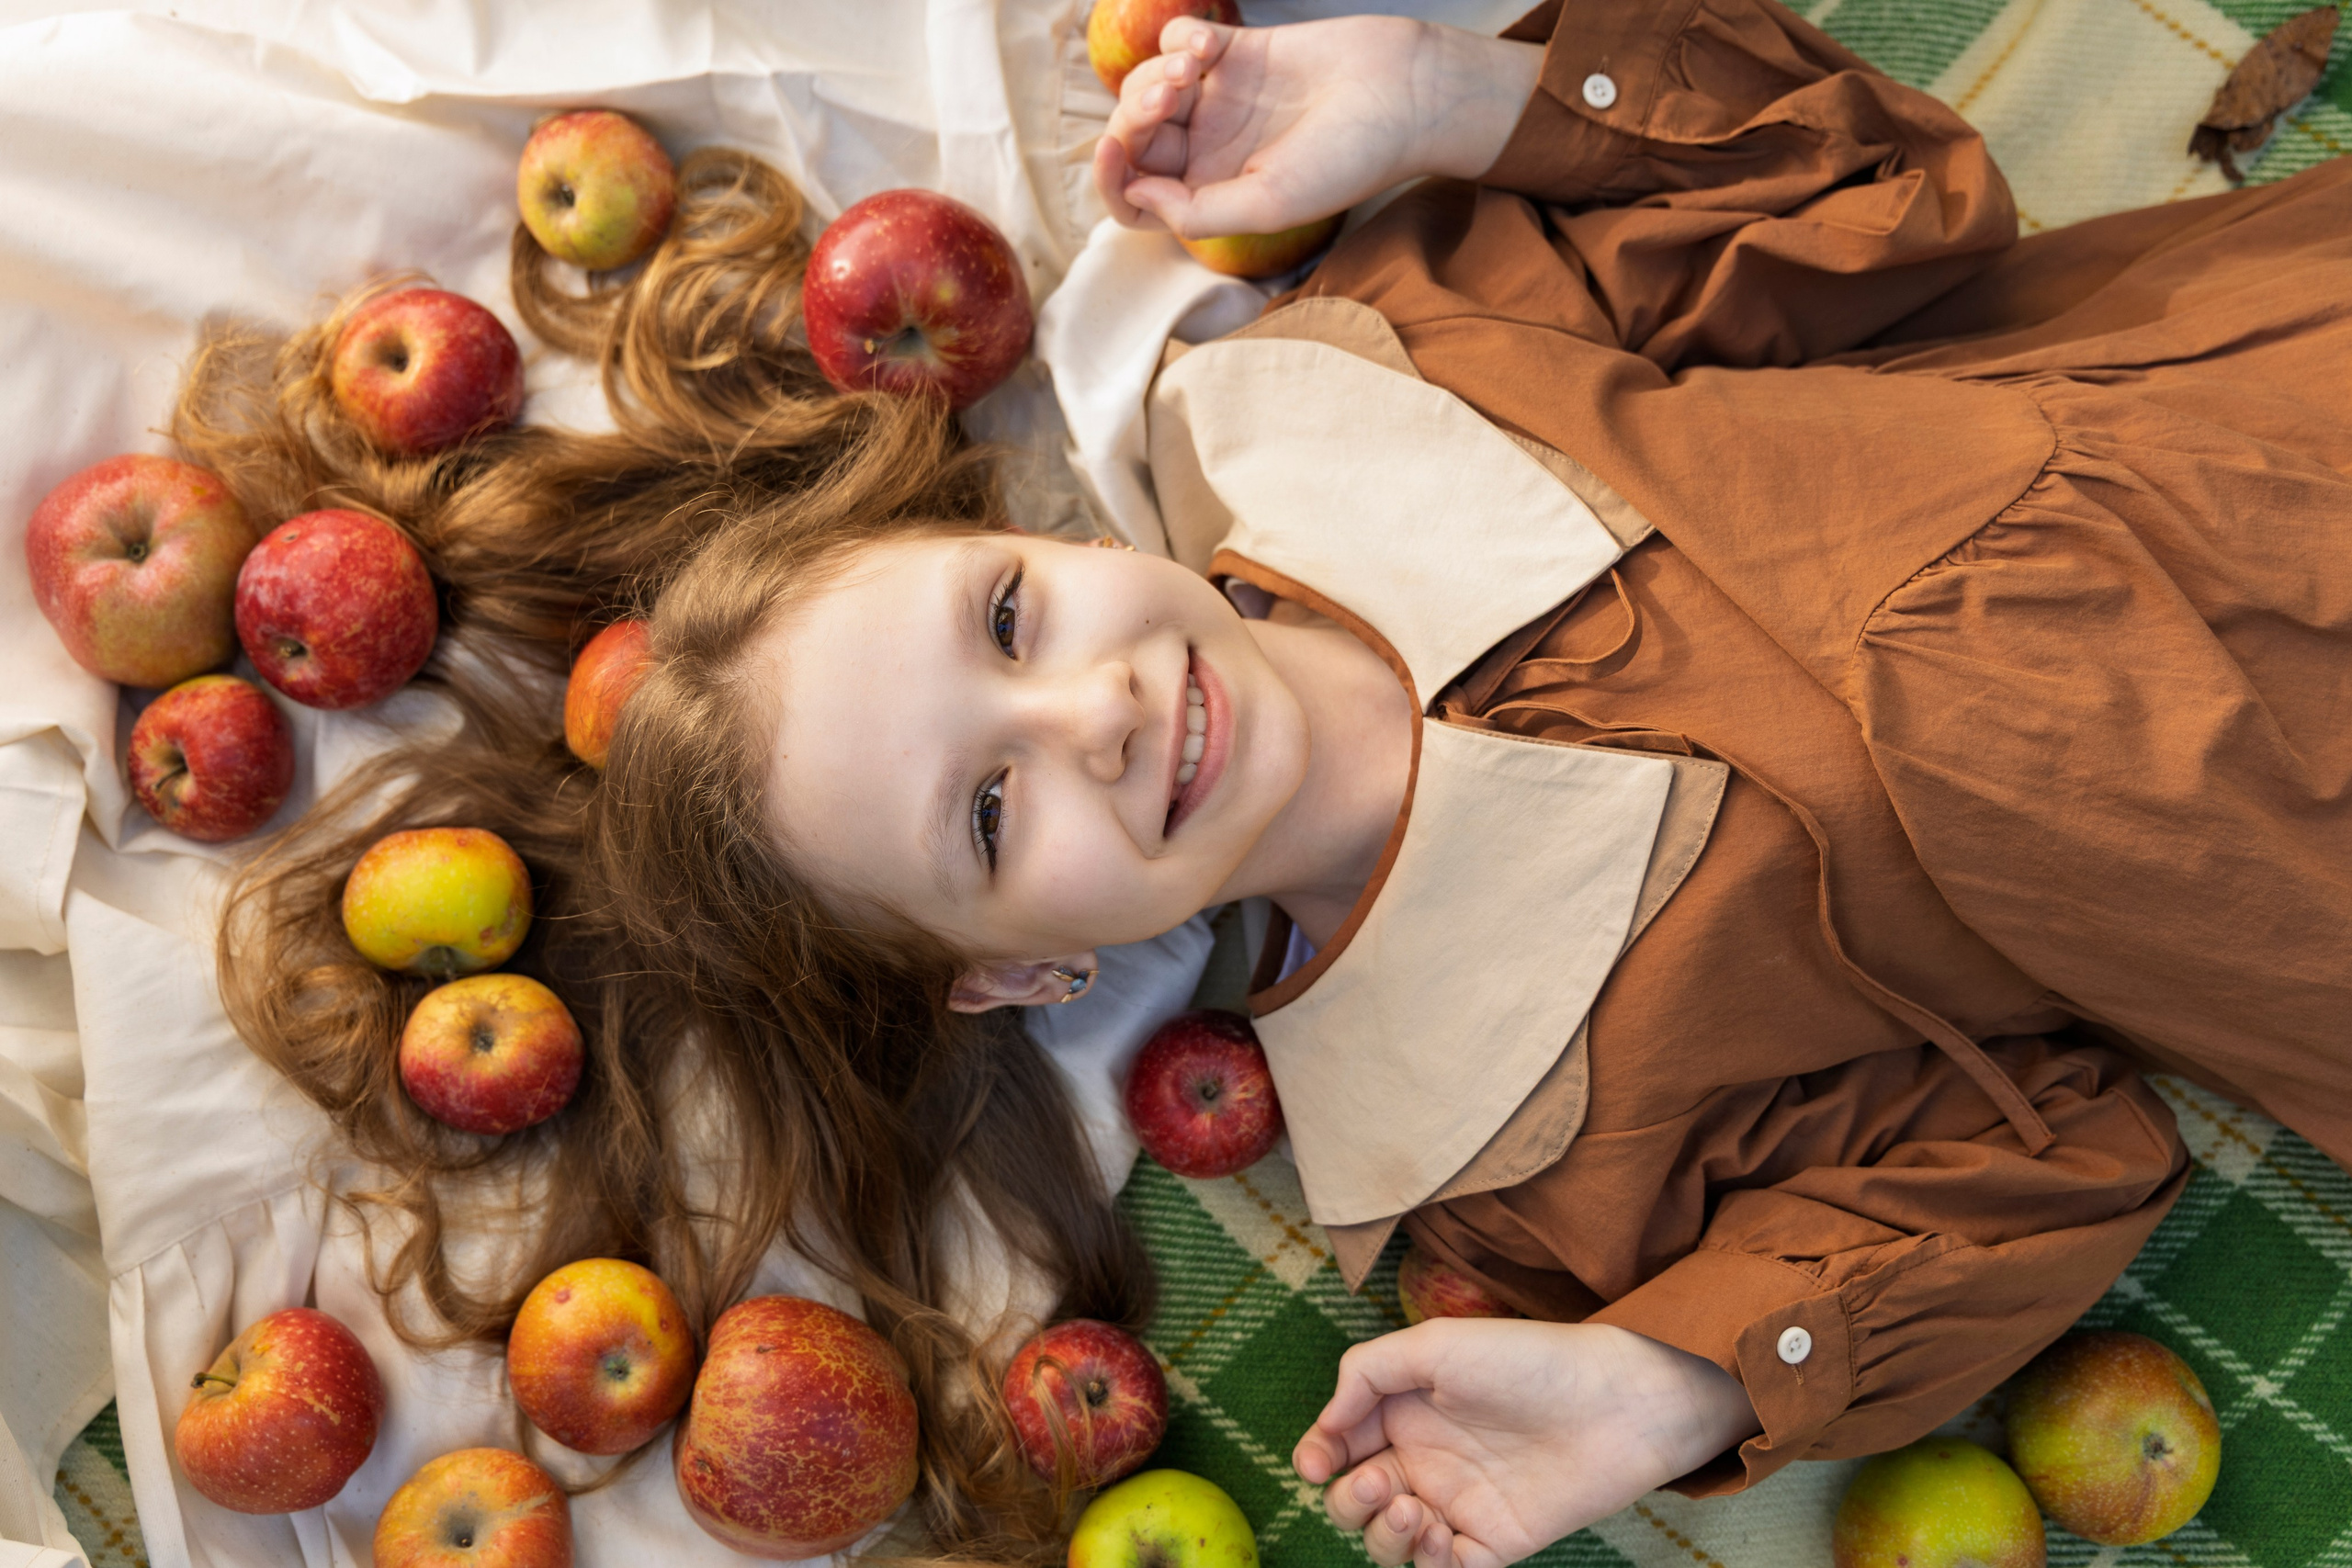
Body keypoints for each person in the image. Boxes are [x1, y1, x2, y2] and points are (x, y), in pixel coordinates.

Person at [197, 3, 2351, 1565]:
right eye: (984, 815)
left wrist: (1449, 92)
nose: (1095, 716)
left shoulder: (1369, 368)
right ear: (1022, 972)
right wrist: (1666, 1381)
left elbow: (1882, 199)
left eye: (1012, 620)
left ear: (1037, 529)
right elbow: (2057, 1162)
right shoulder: (1506, 1163)